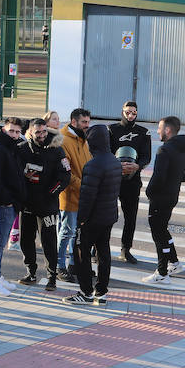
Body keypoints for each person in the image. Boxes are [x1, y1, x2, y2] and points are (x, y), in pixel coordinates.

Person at [65, 125, 122, 305]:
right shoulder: (114, 160)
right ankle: (101, 292)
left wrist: (81, 220)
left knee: (81, 252)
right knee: (104, 253)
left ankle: (86, 292)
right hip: (108, 216)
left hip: (92, 219)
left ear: (93, 143)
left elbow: (87, 197)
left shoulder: (93, 165)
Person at [143, 116, 185, 284]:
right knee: (163, 230)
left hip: (160, 198)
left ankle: (162, 273)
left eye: (160, 128)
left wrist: (149, 192)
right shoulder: (182, 147)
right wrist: (177, 179)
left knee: (158, 234)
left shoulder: (165, 150)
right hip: (172, 196)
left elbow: (158, 177)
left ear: (168, 130)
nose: (158, 131)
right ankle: (175, 263)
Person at [19, 117, 70, 291]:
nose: (41, 135)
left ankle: (51, 277)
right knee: (26, 240)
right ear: (30, 133)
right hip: (27, 204)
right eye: (37, 132)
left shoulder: (56, 150)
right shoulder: (22, 149)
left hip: (48, 205)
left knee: (49, 241)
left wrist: (50, 194)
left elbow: (65, 177)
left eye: (44, 131)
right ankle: (31, 272)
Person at [0, 117, 26, 296]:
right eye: (11, 131)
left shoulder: (12, 148)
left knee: (0, 243)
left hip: (11, 203)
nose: (15, 135)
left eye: (17, 132)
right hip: (2, 204)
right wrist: (6, 200)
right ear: (3, 130)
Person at [108, 101, 152, 264]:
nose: (130, 115)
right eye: (128, 112)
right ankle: (96, 248)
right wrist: (116, 165)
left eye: (134, 113)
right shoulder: (112, 130)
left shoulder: (143, 132)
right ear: (122, 112)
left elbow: (147, 156)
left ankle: (126, 250)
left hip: (132, 180)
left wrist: (137, 166)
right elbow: (105, 151)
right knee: (104, 214)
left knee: (131, 217)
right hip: (112, 178)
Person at [57, 109, 92, 280]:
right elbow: (66, 173)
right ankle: (59, 266)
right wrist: (84, 185)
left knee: (76, 233)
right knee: (66, 233)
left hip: (83, 194)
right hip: (69, 196)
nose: (87, 125)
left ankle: (74, 264)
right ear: (73, 121)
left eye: (88, 122)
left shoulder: (82, 139)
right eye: (84, 122)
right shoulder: (63, 140)